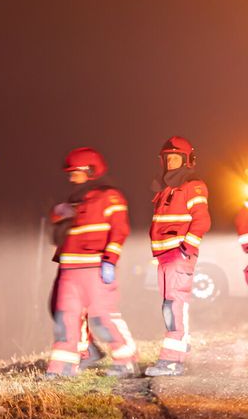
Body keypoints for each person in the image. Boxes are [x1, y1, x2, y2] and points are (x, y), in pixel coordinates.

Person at [44, 147, 138, 378]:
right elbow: (60, 236)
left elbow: (120, 231)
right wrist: (60, 215)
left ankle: (126, 360)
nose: (71, 177)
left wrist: (110, 260)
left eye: (75, 172)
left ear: (90, 171)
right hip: (69, 270)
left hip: (95, 267)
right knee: (66, 318)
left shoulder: (111, 197)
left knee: (102, 316)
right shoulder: (74, 202)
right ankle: (62, 368)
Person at [145, 136, 210, 377]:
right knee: (172, 305)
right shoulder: (165, 189)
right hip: (165, 256)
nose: (171, 162)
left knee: (173, 305)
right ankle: (180, 350)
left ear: (187, 160)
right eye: (167, 158)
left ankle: (172, 361)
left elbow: (202, 221)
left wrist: (186, 249)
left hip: (177, 255)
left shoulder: (193, 185)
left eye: (175, 158)